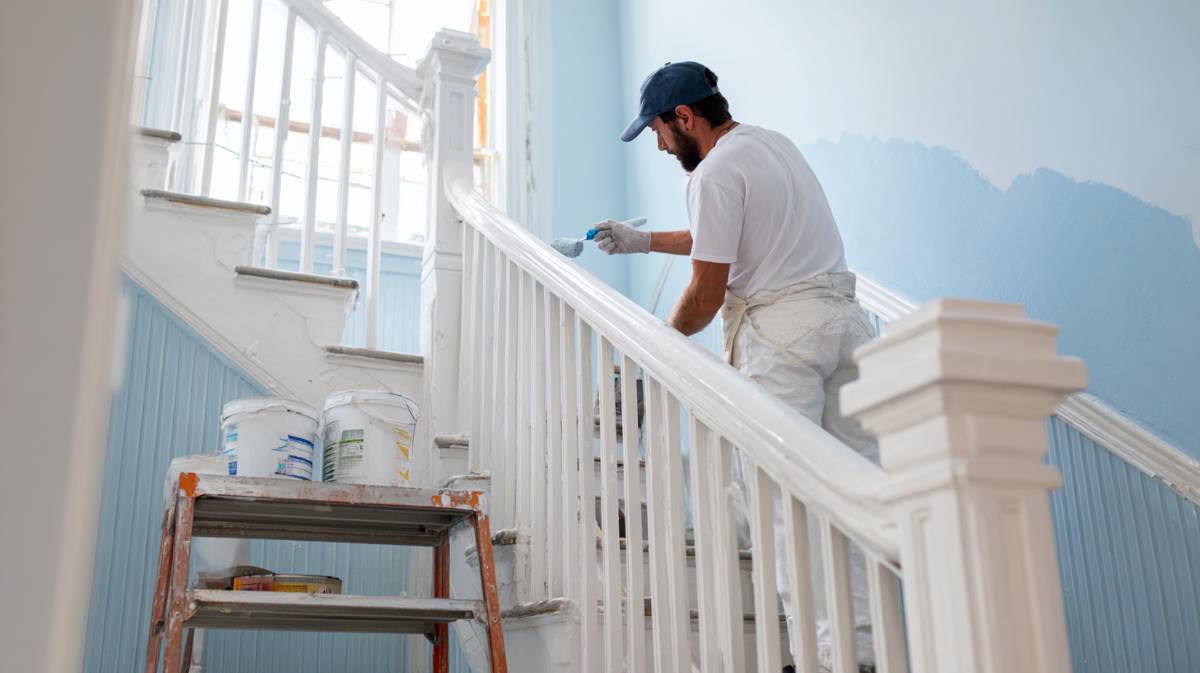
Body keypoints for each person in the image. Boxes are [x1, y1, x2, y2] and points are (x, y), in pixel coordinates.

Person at [594, 61, 877, 669]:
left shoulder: (713, 173)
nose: (662, 145)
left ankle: (819, 658)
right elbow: (725, 233)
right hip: (846, 327)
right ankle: (866, 650)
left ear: (685, 118)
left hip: (783, 342)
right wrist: (642, 241)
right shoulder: (773, 146)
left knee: (781, 503)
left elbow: (706, 296)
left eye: (659, 132)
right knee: (854, 496)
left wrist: (659, 343)